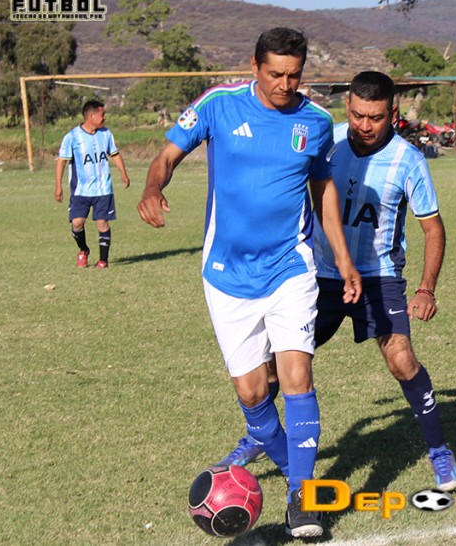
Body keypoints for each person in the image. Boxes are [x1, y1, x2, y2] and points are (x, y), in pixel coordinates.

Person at [137, 27, 361, 539]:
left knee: (297, 376)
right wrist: (151, 188)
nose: (285, 84)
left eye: (294, 75)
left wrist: (343, 259)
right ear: (254, 66)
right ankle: (289, 466)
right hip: (227, 274)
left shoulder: (316, 121)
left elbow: (324, 191)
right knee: (253, 395)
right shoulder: (219, 104)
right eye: (275, 73)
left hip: (290, 267)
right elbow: (167, 157)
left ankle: (303, 499)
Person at [220, 70, 456, 492]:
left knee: (401, 360)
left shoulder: (408, 160)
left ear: (393, 112)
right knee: (273, 366)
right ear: (346, 107)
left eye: (376, 117)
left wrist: (426, 289)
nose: (365, 125)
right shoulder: (324, 140)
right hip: (319, 275)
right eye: (357, 115)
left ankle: (439, 450)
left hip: (378, 277)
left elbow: (433, 228)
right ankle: (259, 434)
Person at [54, 99, 130, 268]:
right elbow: (61, 162)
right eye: (102, 115)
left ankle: (103, 261)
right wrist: (58, 186)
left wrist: (123, 173)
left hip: (103, 189)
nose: (104, 118)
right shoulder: (72, 137)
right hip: (80, 191)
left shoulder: (106, 134)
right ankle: (84, 250)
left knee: (102, 223)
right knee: (77, 223)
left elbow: (115, 154)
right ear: (91, 116)